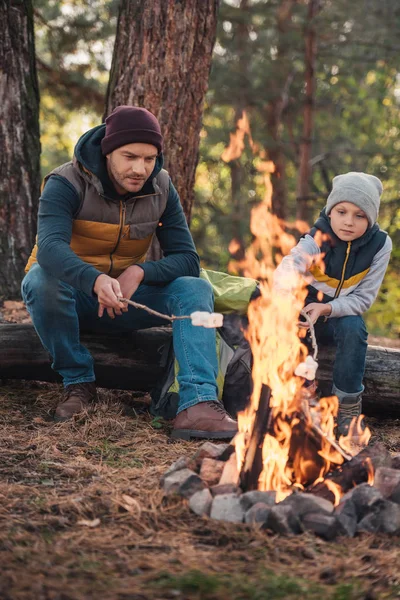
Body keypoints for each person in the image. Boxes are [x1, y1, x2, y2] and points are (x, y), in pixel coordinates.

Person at [21, 105, 237, 440]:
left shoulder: (161, 187)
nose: (140, 169)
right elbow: (49, 249)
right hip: (72, 301)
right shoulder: (65, 182)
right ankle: (79, 385)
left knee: (194, 287)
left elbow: (187, 258)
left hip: (126, 302)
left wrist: (139, 271)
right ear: (108, 151)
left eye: (149, 159)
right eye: (130, 157)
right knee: (39, 280)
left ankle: (198, 403)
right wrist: (94, 280)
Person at [274, 172, 392, 435]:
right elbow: (291, 265)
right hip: (305, 312)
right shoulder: (318, 237)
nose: (348, 222)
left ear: (370, 219)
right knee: (290, 324)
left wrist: (328, 308)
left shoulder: (380, 245)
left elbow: (363, 299)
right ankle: (303, 396)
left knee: (354, 328)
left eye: (359, 215)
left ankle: (347, 407)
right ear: (330, 213)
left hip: (340, 314)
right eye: (341, 211)